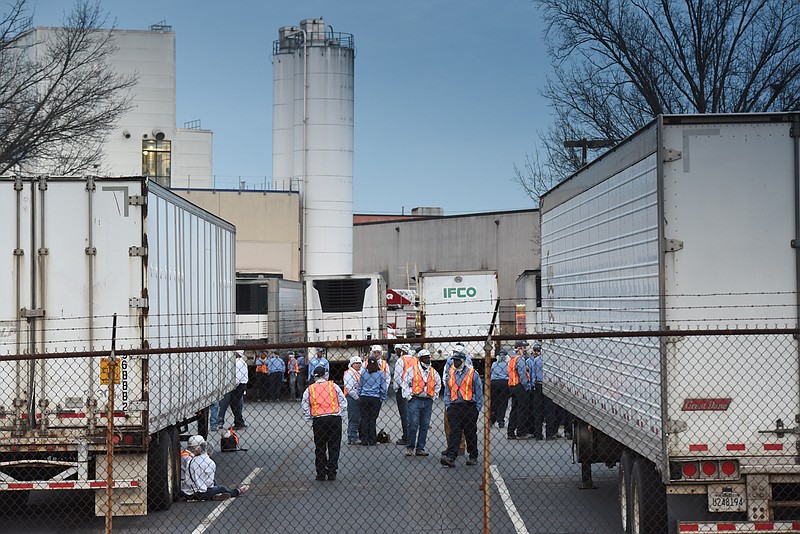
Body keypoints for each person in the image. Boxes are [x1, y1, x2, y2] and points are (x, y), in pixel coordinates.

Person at [302, 365, 347, 481]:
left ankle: (321, 473)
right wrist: (340, 414)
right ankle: (332, 472)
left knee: (320, 447)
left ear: (314, 376)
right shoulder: (333, 386)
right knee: (334, 446)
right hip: (334, 418)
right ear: (325, 375)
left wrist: (310, 419)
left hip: (319, 419)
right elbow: (343, 401)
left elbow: (305, 405)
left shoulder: (310, 389)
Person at [441, 350, 483, 467]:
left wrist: (477, 408)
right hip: (454, 406)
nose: (455, 362)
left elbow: (479, 390)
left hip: (469, 406)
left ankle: (473, 455)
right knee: (455, 432)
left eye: (458, 360)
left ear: (463, 361)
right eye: (454, 360)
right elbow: (447, 391)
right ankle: (451, 457)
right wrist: (449, 405)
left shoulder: (472, 374)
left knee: (470, 432)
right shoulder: (451, 373)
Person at [180, 435, 249, 501]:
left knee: (209, 481)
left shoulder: (189, 458)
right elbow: (209, 484)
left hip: (186, 490)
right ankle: (236, 491)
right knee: (220, 487)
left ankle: (216, 494)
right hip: (199, 493)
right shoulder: (208, 462)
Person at [401, 349, 441, 457]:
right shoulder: (412, 370)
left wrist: (434, 397)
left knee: (425, 425)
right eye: (425, 357)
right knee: (413, 424)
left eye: (429, 357)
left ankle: (420, 448)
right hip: (415, 400)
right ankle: (410, 447)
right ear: (420, 359)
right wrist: (409, 397)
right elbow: (405, 384)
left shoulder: (433, 371)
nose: (428, 359)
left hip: (428, 401)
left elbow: (438, 384)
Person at [358, 356, 388, 446]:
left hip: (364, 397)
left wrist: (360, 394)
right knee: (372, 419)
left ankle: (364, 439)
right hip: (375, 397)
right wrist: (382, 397)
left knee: (364, 418)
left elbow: (360, 385)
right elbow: (383, 387)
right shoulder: (380, 373)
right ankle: (372, 439)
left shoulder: (364, 373)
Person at [530, 342, 558, 440]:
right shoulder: (552, 360)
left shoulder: (536, 360)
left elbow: (532, 373)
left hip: (538, 385)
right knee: (550, 411)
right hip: (549, 385)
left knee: (538, 411)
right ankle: (549, 434)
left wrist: (533, 385)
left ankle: (538, 434)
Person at [506, 341, 532, 440]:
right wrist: (526, 386)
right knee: (522, 409)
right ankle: (521, 432)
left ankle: (510, 432)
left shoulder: (512, 359)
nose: (525, 350)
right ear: (519, 348)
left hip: (512, 386)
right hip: (520, 386)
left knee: (514, 409)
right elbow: (522, 375)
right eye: (524, 348)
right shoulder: (520, 359)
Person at [392, 344, 416, 446]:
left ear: (401, 350)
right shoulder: (415, 360)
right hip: (414, 389)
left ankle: (406, 437)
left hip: (403, 389)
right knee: (413, 415)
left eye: (397, 350)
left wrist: (397, 387)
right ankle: (412, 437)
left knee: (404, 414)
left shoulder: (401, 360)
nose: (395, 353)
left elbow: (397, 377)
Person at [218, 350, 249, 430]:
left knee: (235, 404)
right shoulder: (242, 362)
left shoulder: (237, 364)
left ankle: (239, 422)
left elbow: (237, 377)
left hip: (237, 386)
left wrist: (233, 386)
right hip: (242, 385)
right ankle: (239, 421)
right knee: (237, 404)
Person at [343, 355, 362, 445]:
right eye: (356, 363)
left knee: (358, 417)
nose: (358, 365)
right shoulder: (349, 373)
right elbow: (350, 389)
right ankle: (352, 437)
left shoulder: (359, 372)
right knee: (354, 417)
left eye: (359, 363)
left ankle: (354, 436)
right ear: (352, 364)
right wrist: (357, 398)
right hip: (352, 397)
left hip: (357, 397)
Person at [490, 349, 511, 428]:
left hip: (494, 383)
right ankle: (500, 420)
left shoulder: (494, 364)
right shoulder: (508, 364)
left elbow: (491, 372)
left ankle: (492, 420)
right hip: (504, 383)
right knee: (503, 402)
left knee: (494, 402)